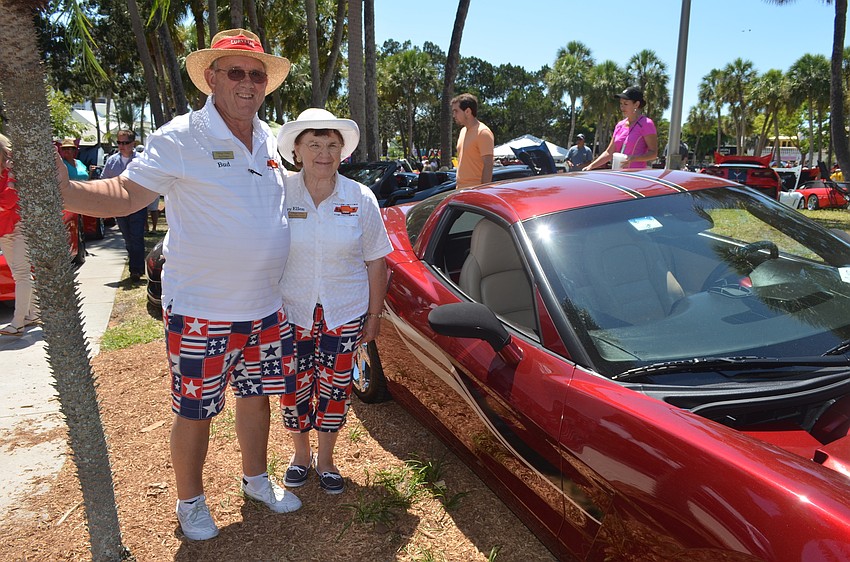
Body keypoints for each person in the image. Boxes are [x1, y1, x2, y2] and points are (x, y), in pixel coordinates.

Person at [56, 28, 300, 541]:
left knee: (256, 399)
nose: (248, 82)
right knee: (195, 410)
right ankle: (189, 501)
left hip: (265, 308)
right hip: (203, 310)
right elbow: (125, 193)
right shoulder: (180, 137)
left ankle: (255, 479)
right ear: (210, 78)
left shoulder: (270, 138)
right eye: (235, 71)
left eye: (257, 74)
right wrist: (65, 190)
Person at [276, 108, 392, 495]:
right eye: (314, 144)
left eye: (331, 146)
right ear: (297, 150)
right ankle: (300, 456)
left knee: (335, 387)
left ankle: (326, 460)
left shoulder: (360, 197)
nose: (323, 154)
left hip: (344, 312)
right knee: (294, 387)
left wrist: (373, 317)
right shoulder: (279, 194)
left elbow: (377, 260)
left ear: (342, 153)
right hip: (292, 311)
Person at [0, 134, 39, 336]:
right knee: (20, 274)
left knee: (21, 273)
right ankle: (32, 314)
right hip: (4, 229)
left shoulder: (12, 171)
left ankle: (18, 322)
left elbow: (9, 201)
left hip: (18, 227)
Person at [101, 130, 148, 283]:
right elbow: (104, 181)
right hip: (119, 206)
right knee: (128, 238)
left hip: (137, 204)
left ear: (133, 144)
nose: (121, 146)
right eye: (119, 143)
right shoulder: (112, 161)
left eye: (125, 143)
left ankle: (136, 269)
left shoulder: (141, 160)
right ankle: (136, 264)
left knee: (137, 237)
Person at [584, 86, 658, 171]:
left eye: (626, 104)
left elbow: (653, 153)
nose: (622, 107)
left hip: (636, 175)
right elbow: (609, 152)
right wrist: (591, 166)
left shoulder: (646, 123)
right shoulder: (620, 125)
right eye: (621, 103)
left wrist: (633, 158)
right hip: (618, 174)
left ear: (636, 104)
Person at [451, 93, 494, 188]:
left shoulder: (483, 132)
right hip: (460, 190)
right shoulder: (463, 131)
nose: (454, 115)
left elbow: (488, 164)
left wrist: (483, 191)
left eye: (456, 111)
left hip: (475, 191)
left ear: (467, 111)